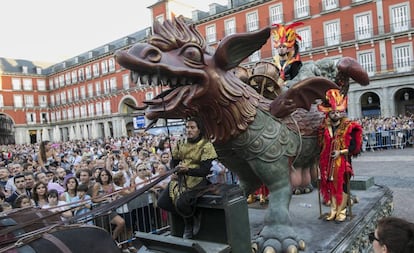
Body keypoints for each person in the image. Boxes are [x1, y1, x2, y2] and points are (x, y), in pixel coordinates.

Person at [157, 117, 218, 239]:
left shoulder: (206, 145)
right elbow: (174, 161)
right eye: (187, 127)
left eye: (192, 127)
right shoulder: (181, 143)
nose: (188, 130)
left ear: (199, 130)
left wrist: (188, 170)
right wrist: (174, 169)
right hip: (180, 178)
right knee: (162, 202)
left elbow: (205, 171)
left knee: (181, 202)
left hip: (198, 181)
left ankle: (188, 225)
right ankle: (190, 216)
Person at [317, 89, 363, 222]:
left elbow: (354, 147)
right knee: (330, 185)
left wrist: (341, 152)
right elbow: (320, 145)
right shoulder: (324, 128)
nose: (335, 114)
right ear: (328, 114)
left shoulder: (349, 127)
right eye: (332, 112)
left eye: (338, 112)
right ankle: (333, 210)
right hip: (328, 162)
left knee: (342, 185)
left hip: (342, 161)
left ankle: (341, 211)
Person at [91, 169, 125, 240]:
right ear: (99, 177)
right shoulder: (97, 185)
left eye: (106, 175)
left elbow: (114, 195)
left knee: (121, 222)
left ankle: (112, 240)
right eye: (102, 175)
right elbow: (93, 199)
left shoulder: (111, 184)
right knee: (104, 231)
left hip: (110, 210)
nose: (104, 176)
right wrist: (104, 199)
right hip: (100, 211)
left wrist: (115, 197)